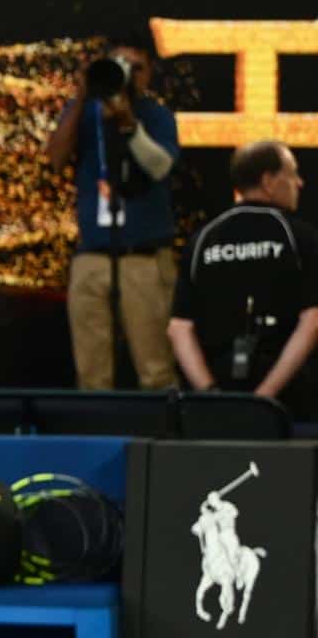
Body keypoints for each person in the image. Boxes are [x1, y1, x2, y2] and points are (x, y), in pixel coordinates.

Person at [46, 42, 180, 390]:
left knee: (155, 368)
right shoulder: (83, 113)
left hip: (143, 255)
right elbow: (56, 159)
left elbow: (160, 167)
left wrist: (129, 125)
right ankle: (94, 424)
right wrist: (81, 96)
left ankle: (163, 424)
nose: (129, 74)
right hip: (92, 254)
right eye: (121, 65)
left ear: (149, 75)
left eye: (138, 68)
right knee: (91, 372)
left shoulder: (155, 115)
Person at [170, 140, 314, 413]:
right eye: (293, 173)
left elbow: (179, 329)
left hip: (217, 405)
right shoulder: (300, 238)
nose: (300, 182)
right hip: (289, 404)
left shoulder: (201, 240)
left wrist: (211, 394)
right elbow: (312, 322)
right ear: (268, 181)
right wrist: (264, 399)